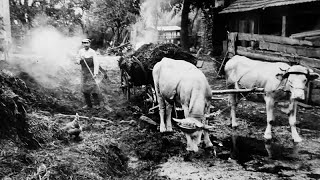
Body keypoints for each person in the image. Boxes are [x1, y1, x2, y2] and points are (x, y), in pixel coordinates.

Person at [76, 39, 101, 109]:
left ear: (89, 44)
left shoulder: (92, 52)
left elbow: (96, 63)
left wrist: (95, 73)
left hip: (91, 71)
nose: (86, 45)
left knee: (93, 87)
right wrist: (80, 59)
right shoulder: (81, 51)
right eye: (84, 43)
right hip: (84, 72)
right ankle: (88, 105)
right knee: (84, 88)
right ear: (82, 44)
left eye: (87, 43)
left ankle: (97, 104)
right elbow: (77, 60)